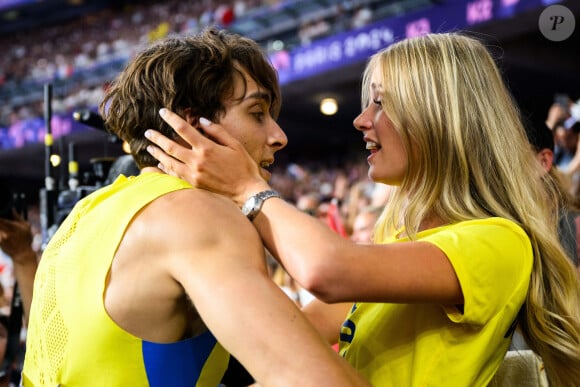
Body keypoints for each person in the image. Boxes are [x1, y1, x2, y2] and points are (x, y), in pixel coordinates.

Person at [145, 32, 580, 386]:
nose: (361, 119)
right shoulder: (399, 236)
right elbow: (300, 332)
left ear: (439, 117)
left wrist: (245, 188)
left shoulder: (498, 242)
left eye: (382, 102)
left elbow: (326, 271)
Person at [21, 28, 369, 387]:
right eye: (257, 113)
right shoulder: (196, 213)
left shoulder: (85, 213)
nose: (279, 136)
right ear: (191, 125)